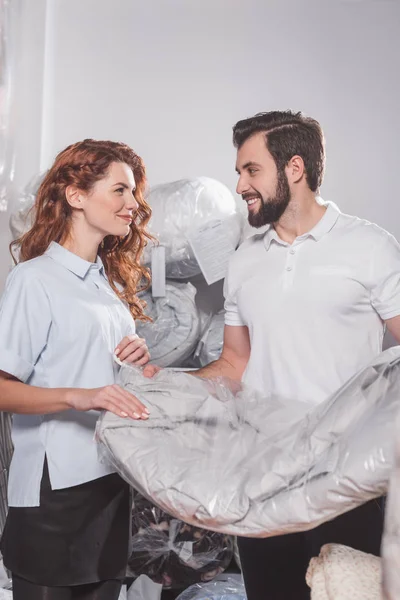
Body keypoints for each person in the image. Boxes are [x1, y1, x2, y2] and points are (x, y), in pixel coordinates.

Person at [144, 110, 400, 599]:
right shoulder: (244, 259)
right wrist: (164, 384)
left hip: (344, 479)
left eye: (250, 169)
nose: (239, 183)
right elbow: (234, 364)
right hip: (262, 478)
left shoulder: (370, 247)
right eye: (239, 171)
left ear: (295, 168)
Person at [0, 139, 155, 600]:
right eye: (120, 191)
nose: (134, 205)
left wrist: (141, 366)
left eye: (134, 194)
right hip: (54, 488)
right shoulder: (34, 280)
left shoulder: (107, 288)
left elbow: (116, 386)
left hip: (109, 481)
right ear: (76, 196)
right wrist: (80, 396)